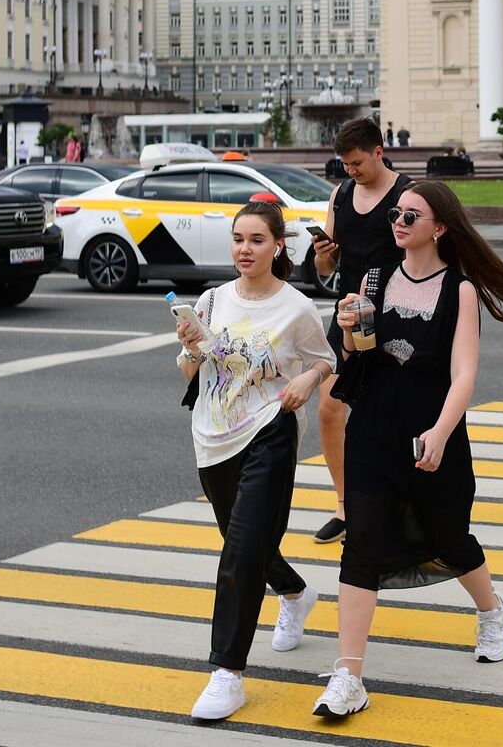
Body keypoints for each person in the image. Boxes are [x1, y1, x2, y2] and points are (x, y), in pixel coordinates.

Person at [317, 181, 503, 720]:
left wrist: (441, 433)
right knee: (361, 545)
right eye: (397, 213)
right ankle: (349, 675)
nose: (398, 221)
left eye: (410, 215)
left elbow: (464, 372)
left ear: (439, 228)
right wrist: (349, 330)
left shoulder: (459, 290)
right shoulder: (376, 277)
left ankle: (492, 610)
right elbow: (361, 353)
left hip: (432, 429)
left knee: (448, 537)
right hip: (372, 427)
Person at [176, 201, 336, 722]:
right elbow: (189, 374)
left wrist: (306, 382)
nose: (245, 249)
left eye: (257, 240)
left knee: (242, 552)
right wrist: (191, 347)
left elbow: (325, 360)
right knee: (246, 543)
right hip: (213, 436)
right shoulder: (212, 300)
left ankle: (227, 674)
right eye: (238, 239)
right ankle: (294, 592)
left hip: (269, 431)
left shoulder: (296, 307)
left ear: (278, 246)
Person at [309, 118, 414, 545]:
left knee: (391, 414)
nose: (350, 170)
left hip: (398, 313)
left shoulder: (407, 194)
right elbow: (325, 269)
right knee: (329, 407)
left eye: (356, 162)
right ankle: (344, 505)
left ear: (379, 150)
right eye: (344, 163)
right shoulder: (341, 194)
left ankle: (398, 503)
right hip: (349, 314)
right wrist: (323, 255)